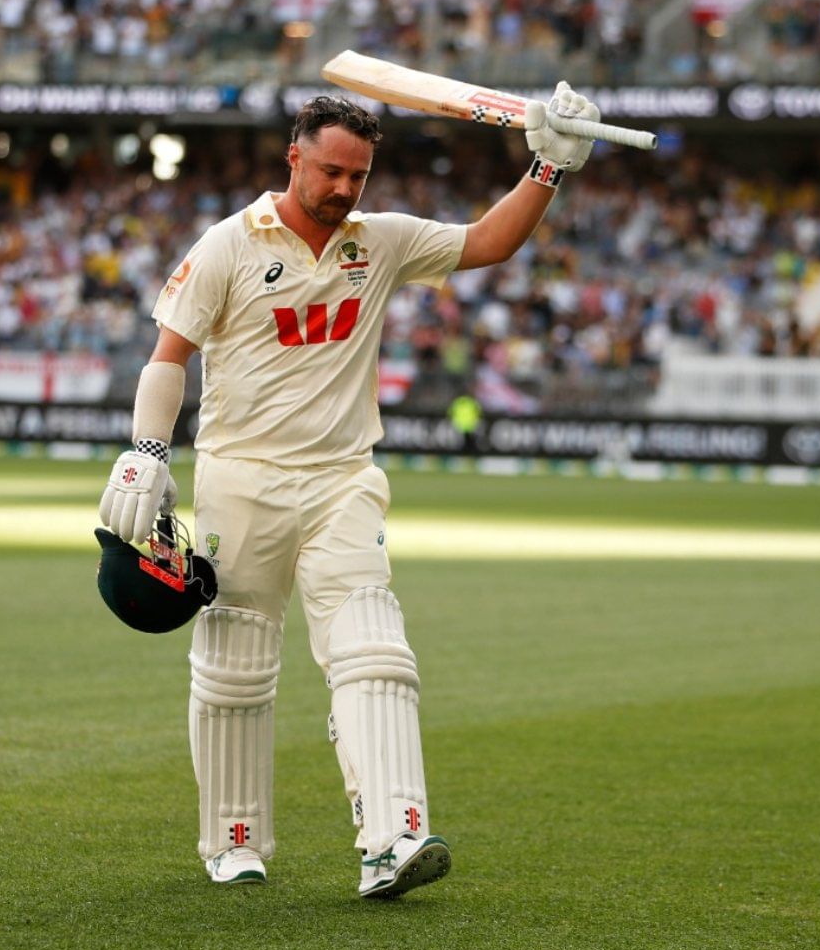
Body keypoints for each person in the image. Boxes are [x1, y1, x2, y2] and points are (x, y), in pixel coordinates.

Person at [97, 89, 600, 898]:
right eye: (331, 171)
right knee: (235, 666)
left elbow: (488, 242)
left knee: (374, 649)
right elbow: (170, 354)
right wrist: (148, 450)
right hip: (242, 478)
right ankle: (234, 839)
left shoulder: (383, 240)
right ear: (294, 156)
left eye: (357, 177)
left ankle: (392, 839)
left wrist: (547, 166)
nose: (343, 190)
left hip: (342, 480)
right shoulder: (228, 245)